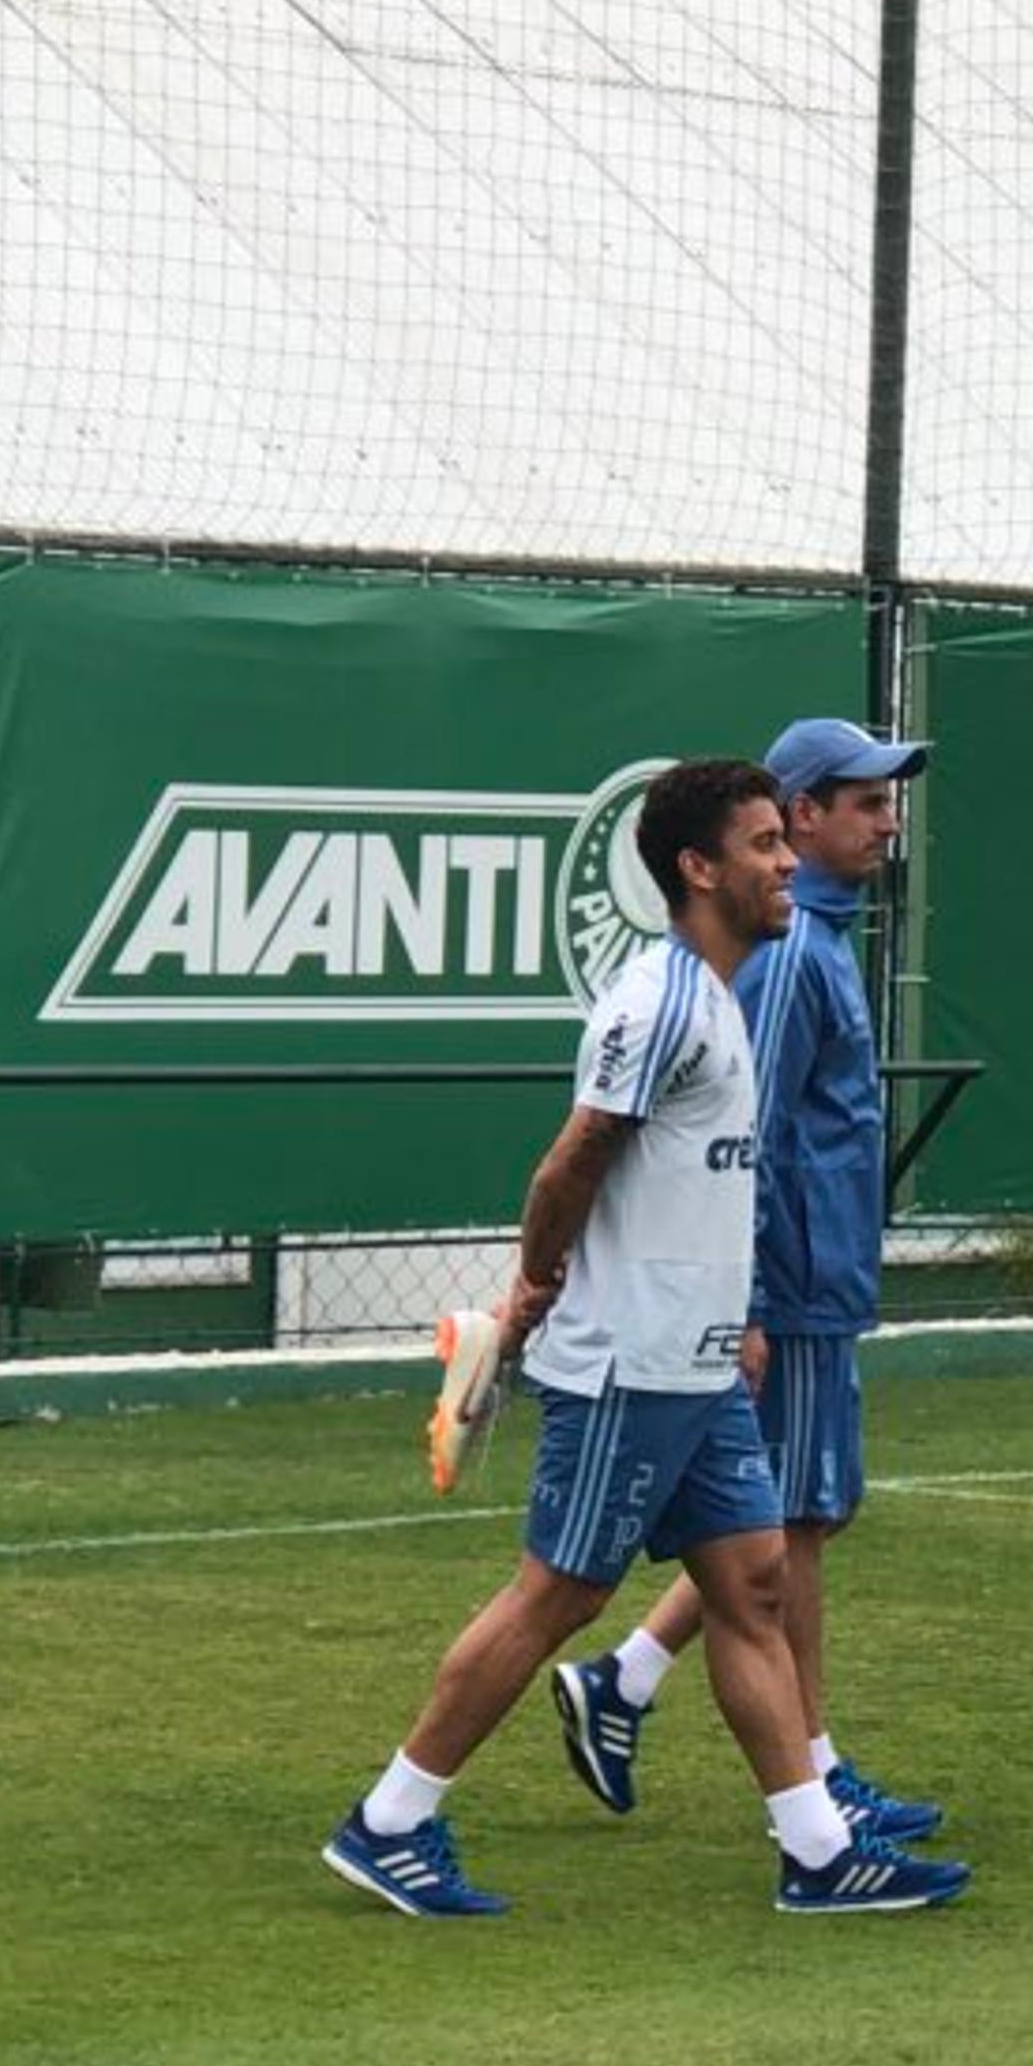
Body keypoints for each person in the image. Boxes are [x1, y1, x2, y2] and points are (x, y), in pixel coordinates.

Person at [320, 758, 969, 1921]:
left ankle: (817, 1852)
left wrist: (738, 1322)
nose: (786, 862)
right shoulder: (663, 1003)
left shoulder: (724, 991)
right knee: (555, 1596)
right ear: (699, 868)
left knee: (755, 1583)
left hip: (699, 1360)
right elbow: (572, 1161)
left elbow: (691, 1183)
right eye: (766, 844)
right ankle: (390, 1822)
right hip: (628, 1365)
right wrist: (533, 1286)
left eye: (785, 840)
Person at [546, 719, 946, 1845]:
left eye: (890, 801)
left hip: (808, 1285)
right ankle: (810, 1776)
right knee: (793, 1526)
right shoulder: (783, 961)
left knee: (773, 1525)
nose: (888, 822)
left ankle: (624, 1682)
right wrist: (757, 1300)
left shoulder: (812, 942)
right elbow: (744, 1140)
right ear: (800, 818)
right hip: (783, 1291)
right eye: (864, 802)